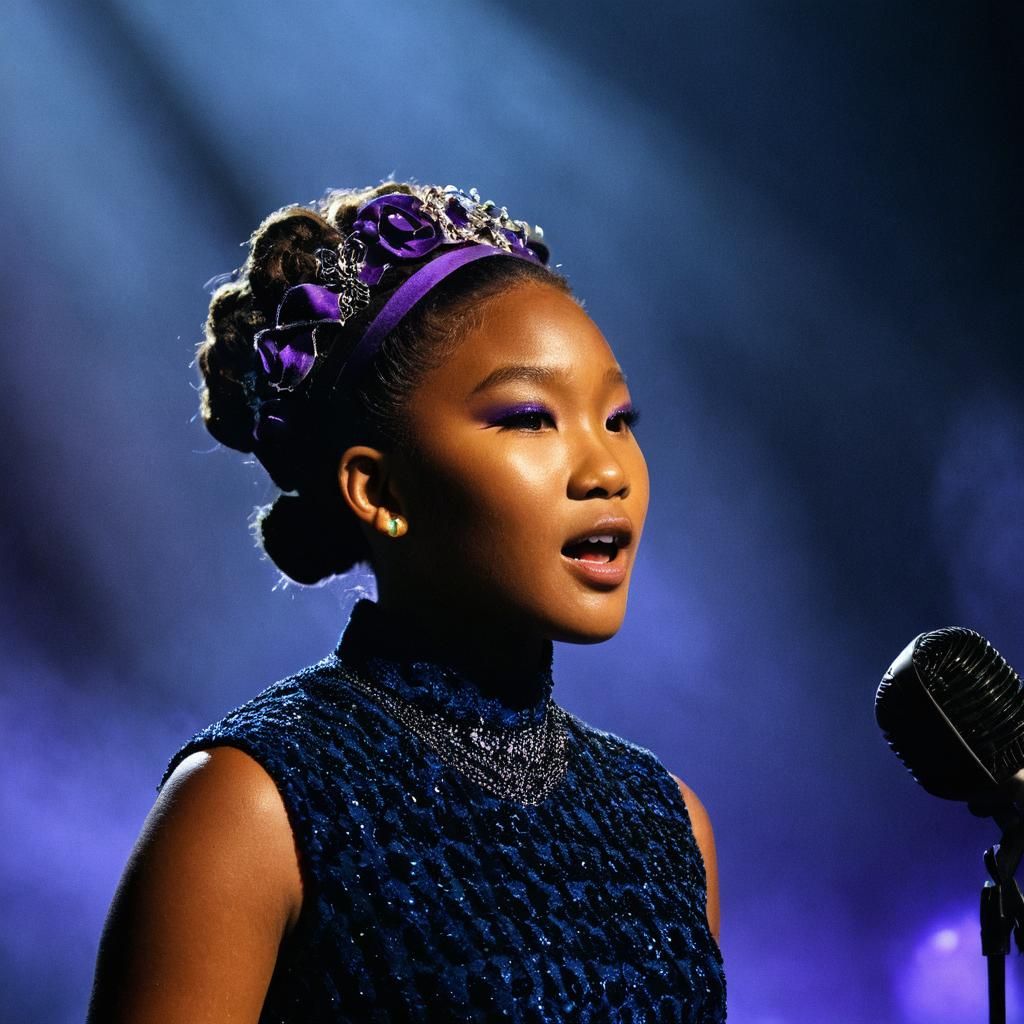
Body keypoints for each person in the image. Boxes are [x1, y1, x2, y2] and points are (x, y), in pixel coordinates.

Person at [87, 181, 726, 1022]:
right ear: (377, 487)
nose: (607, 469)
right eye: (530, 418)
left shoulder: (666, 821)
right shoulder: (250, 804)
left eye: (618, 418)